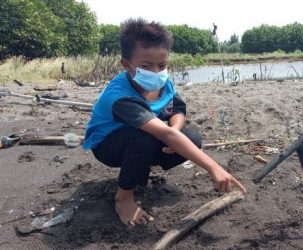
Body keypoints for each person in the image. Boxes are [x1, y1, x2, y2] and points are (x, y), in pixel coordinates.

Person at [83, 18, 246, 227]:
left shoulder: (163, 81)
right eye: (146, 66)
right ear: (126, 65)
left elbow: (176, 110)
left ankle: (138, 172)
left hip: (144, 136)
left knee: (191, 138)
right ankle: (123, 199)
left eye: (162, 65)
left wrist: (175, 128)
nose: (156, 72)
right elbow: (165, 134)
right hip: (108, 145)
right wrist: (213, 167)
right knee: (142, 140)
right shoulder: (120, 97)